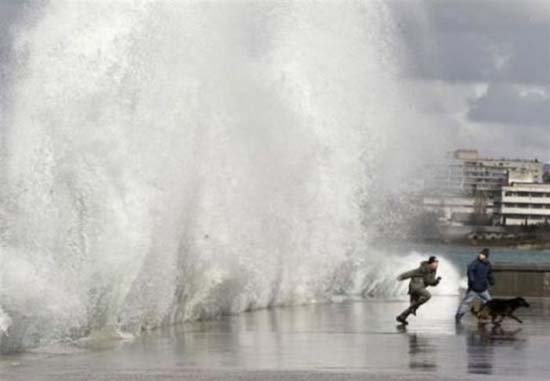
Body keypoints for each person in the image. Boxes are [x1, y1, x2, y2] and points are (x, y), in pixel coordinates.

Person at [396, 256, 441, 325]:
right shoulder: (422, 268)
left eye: (437, 263)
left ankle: (402, 317)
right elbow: (411, 273)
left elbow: (429, 282)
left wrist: (436, 281)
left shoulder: (433, 271)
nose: (436, 265)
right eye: (435, 263)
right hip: (415, 286)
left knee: (412, 306)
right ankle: (411, 309)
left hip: (420, 287)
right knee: (427, 295)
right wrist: (401, 277)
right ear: (430, 263)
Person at [455, 248, 495, 324]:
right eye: (480, 253)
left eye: (482, 254)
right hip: (474, 289)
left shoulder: (488, 264)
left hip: (483, 288)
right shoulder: (475, 263)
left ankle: (483, 314)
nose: (480, 255)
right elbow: (470, 271)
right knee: (466, 302)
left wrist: (492, 280)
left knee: (489, 302)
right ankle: (459, 315)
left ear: (486, 256)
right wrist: (472, 281)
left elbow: (489, 273)